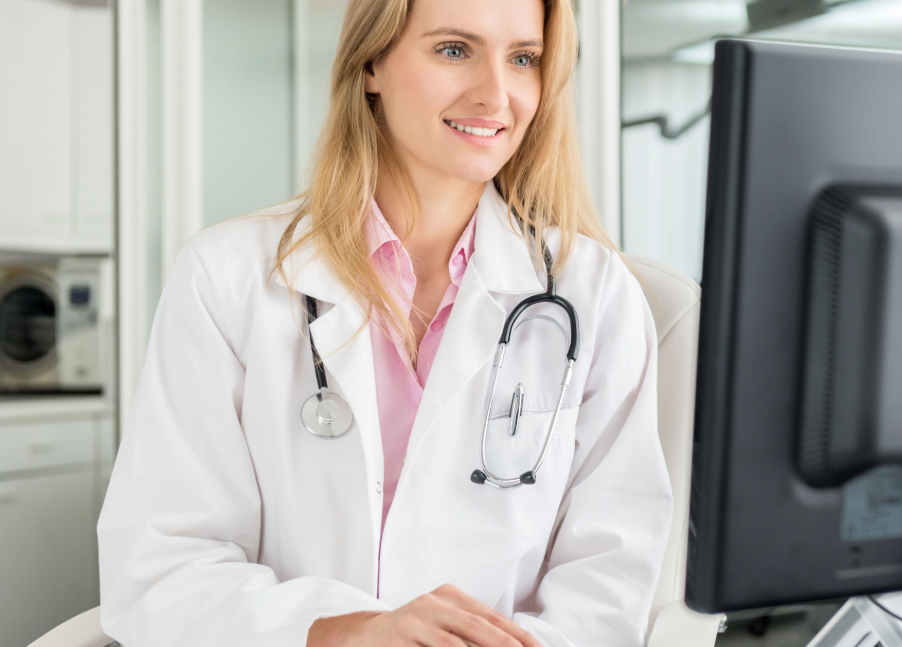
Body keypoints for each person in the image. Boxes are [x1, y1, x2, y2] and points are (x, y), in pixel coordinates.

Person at [97, 0, 672, 644]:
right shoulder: (227, 276)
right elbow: (161, 565)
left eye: (523, 59)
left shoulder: (592, 293)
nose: (496, 94)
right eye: (455, 50)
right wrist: (349, 633)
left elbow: (610, 574)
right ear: (371, 61)